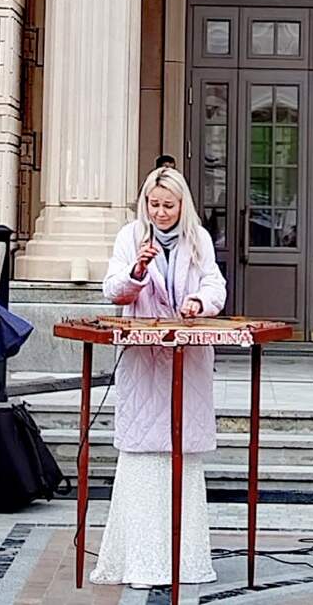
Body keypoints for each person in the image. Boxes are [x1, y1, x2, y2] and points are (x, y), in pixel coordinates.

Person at [89, 167, 226, 590]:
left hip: (187, 358)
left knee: (182, 452)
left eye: (169, 205)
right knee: (144, 454)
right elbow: (112, 290)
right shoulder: (130, 236)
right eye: (154, 204)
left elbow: (215, 285)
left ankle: (184, 562)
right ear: (145, 203)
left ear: (183, 205)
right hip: (144, 362)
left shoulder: (198, 239)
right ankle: (141, 562)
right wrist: (137, 271)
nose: (161, 212)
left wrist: (198, 302)